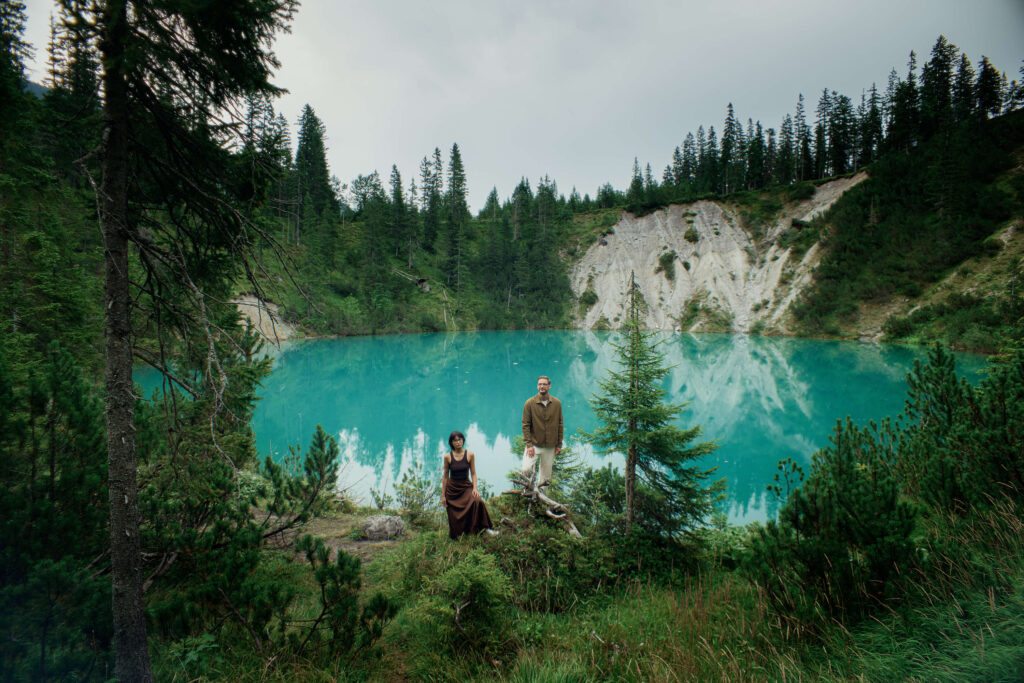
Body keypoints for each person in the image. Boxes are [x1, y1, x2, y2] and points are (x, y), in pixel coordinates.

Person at [441, 430, 497, 539]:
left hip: (466, 486)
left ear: (463, 440)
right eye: (455, 440)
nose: (458, 442)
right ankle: (460, 533)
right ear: (451, 443)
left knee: (477, 501)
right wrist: (443, 495)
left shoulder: (470, 454)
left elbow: (474, 473)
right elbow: (445, 476)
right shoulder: (447, 457)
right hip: (453, 489)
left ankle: (485, 529)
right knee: (454, 513)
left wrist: (475, 488)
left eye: (460, 439)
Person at [521, 375, 563, 487]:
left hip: (550, 446)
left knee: (545, 478)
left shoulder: (557, 403)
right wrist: (529, 445)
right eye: (540, 384)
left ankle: (541, 499)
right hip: (534, 445)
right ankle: (529, 490)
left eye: (544, 384)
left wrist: (559, 444)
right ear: (537, 386)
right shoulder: (529, 403)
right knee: (526, 469)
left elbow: (560, 424)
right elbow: (525, 425)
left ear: (549, 386)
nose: (542, 386)